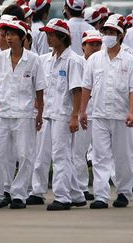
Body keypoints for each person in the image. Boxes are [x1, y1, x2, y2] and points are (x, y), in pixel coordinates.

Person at [27, 18, 86, 210]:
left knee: (60, 155)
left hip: (64, 113)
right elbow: (42, 88)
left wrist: (74, 116)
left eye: (51, 35)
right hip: (48, 112)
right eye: (47, 34)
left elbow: (77, 90)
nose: (48, 38)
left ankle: (63, 196)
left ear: (62, 36)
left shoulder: (73, 60)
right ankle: (46, 191)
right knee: (41, 154)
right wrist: (40, 111)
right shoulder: (47, 59)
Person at [0, 19, 45, 209]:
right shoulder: (0, 58)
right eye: (7, 34)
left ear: (23, 38)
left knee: (25, 154)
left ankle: (19, 194)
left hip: (25, 114)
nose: (8, 38)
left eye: (12, 35)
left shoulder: (34, 59)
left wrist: (40, 113)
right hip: (3, 113)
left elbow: (39, 89)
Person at [80, 15, 133, 209]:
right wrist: (82, 111)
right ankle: (101, 195)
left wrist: (132, 112)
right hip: (99, 114)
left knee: (123, 156)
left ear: (121, 35)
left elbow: (132, 89)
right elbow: (86, 87)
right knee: (100, 157)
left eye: (112, 33)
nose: (108, 36)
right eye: (106, 32)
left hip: (121, 115)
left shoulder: (129, 60)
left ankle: (124, 192)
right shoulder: (94, 59)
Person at [72, 30, 102, 201]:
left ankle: (100, 188)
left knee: (100, 153)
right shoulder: (78, 63)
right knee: (79, 151)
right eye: (91, 44)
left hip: (99, 113)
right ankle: (81, 187)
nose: (95, 47)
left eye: (98, 44)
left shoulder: (102, 63)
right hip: (83, 114)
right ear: (83, 46)